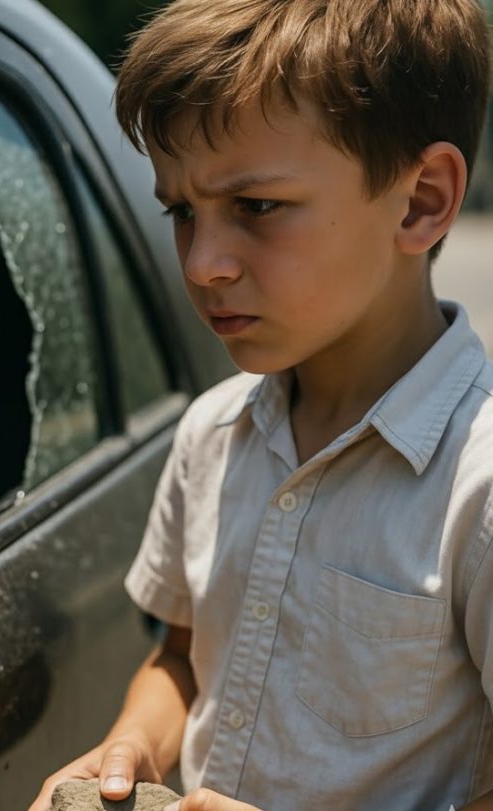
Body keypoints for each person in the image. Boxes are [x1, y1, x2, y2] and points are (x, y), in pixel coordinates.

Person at [29, 0, 493, 809]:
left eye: (256, 207)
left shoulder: (476, 490)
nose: (204, 263)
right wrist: (129, 746)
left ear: (420, 200)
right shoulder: (212, 432)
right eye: (181, 211)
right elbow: (183, 657)